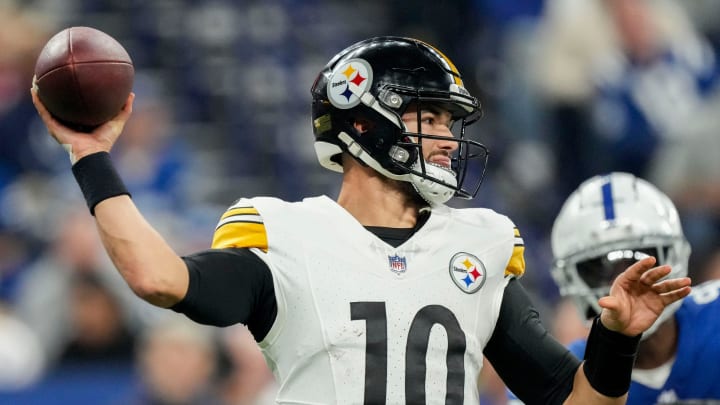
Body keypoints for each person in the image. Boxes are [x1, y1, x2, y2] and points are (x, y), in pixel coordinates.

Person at [31, 36, 692, 404]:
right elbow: (156, 277)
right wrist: (90, 157)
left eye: (447, 122)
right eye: (427, 118)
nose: (443, 138)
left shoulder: (478, 248)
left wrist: (614, 341)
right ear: (362, 120)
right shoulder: (288, 236)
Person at [510, 172, 720, 403]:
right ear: (570, 279)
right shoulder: (557, 374)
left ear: (675, 256)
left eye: (639, 261)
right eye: (599, 270)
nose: (624, 284)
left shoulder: (714, 316)